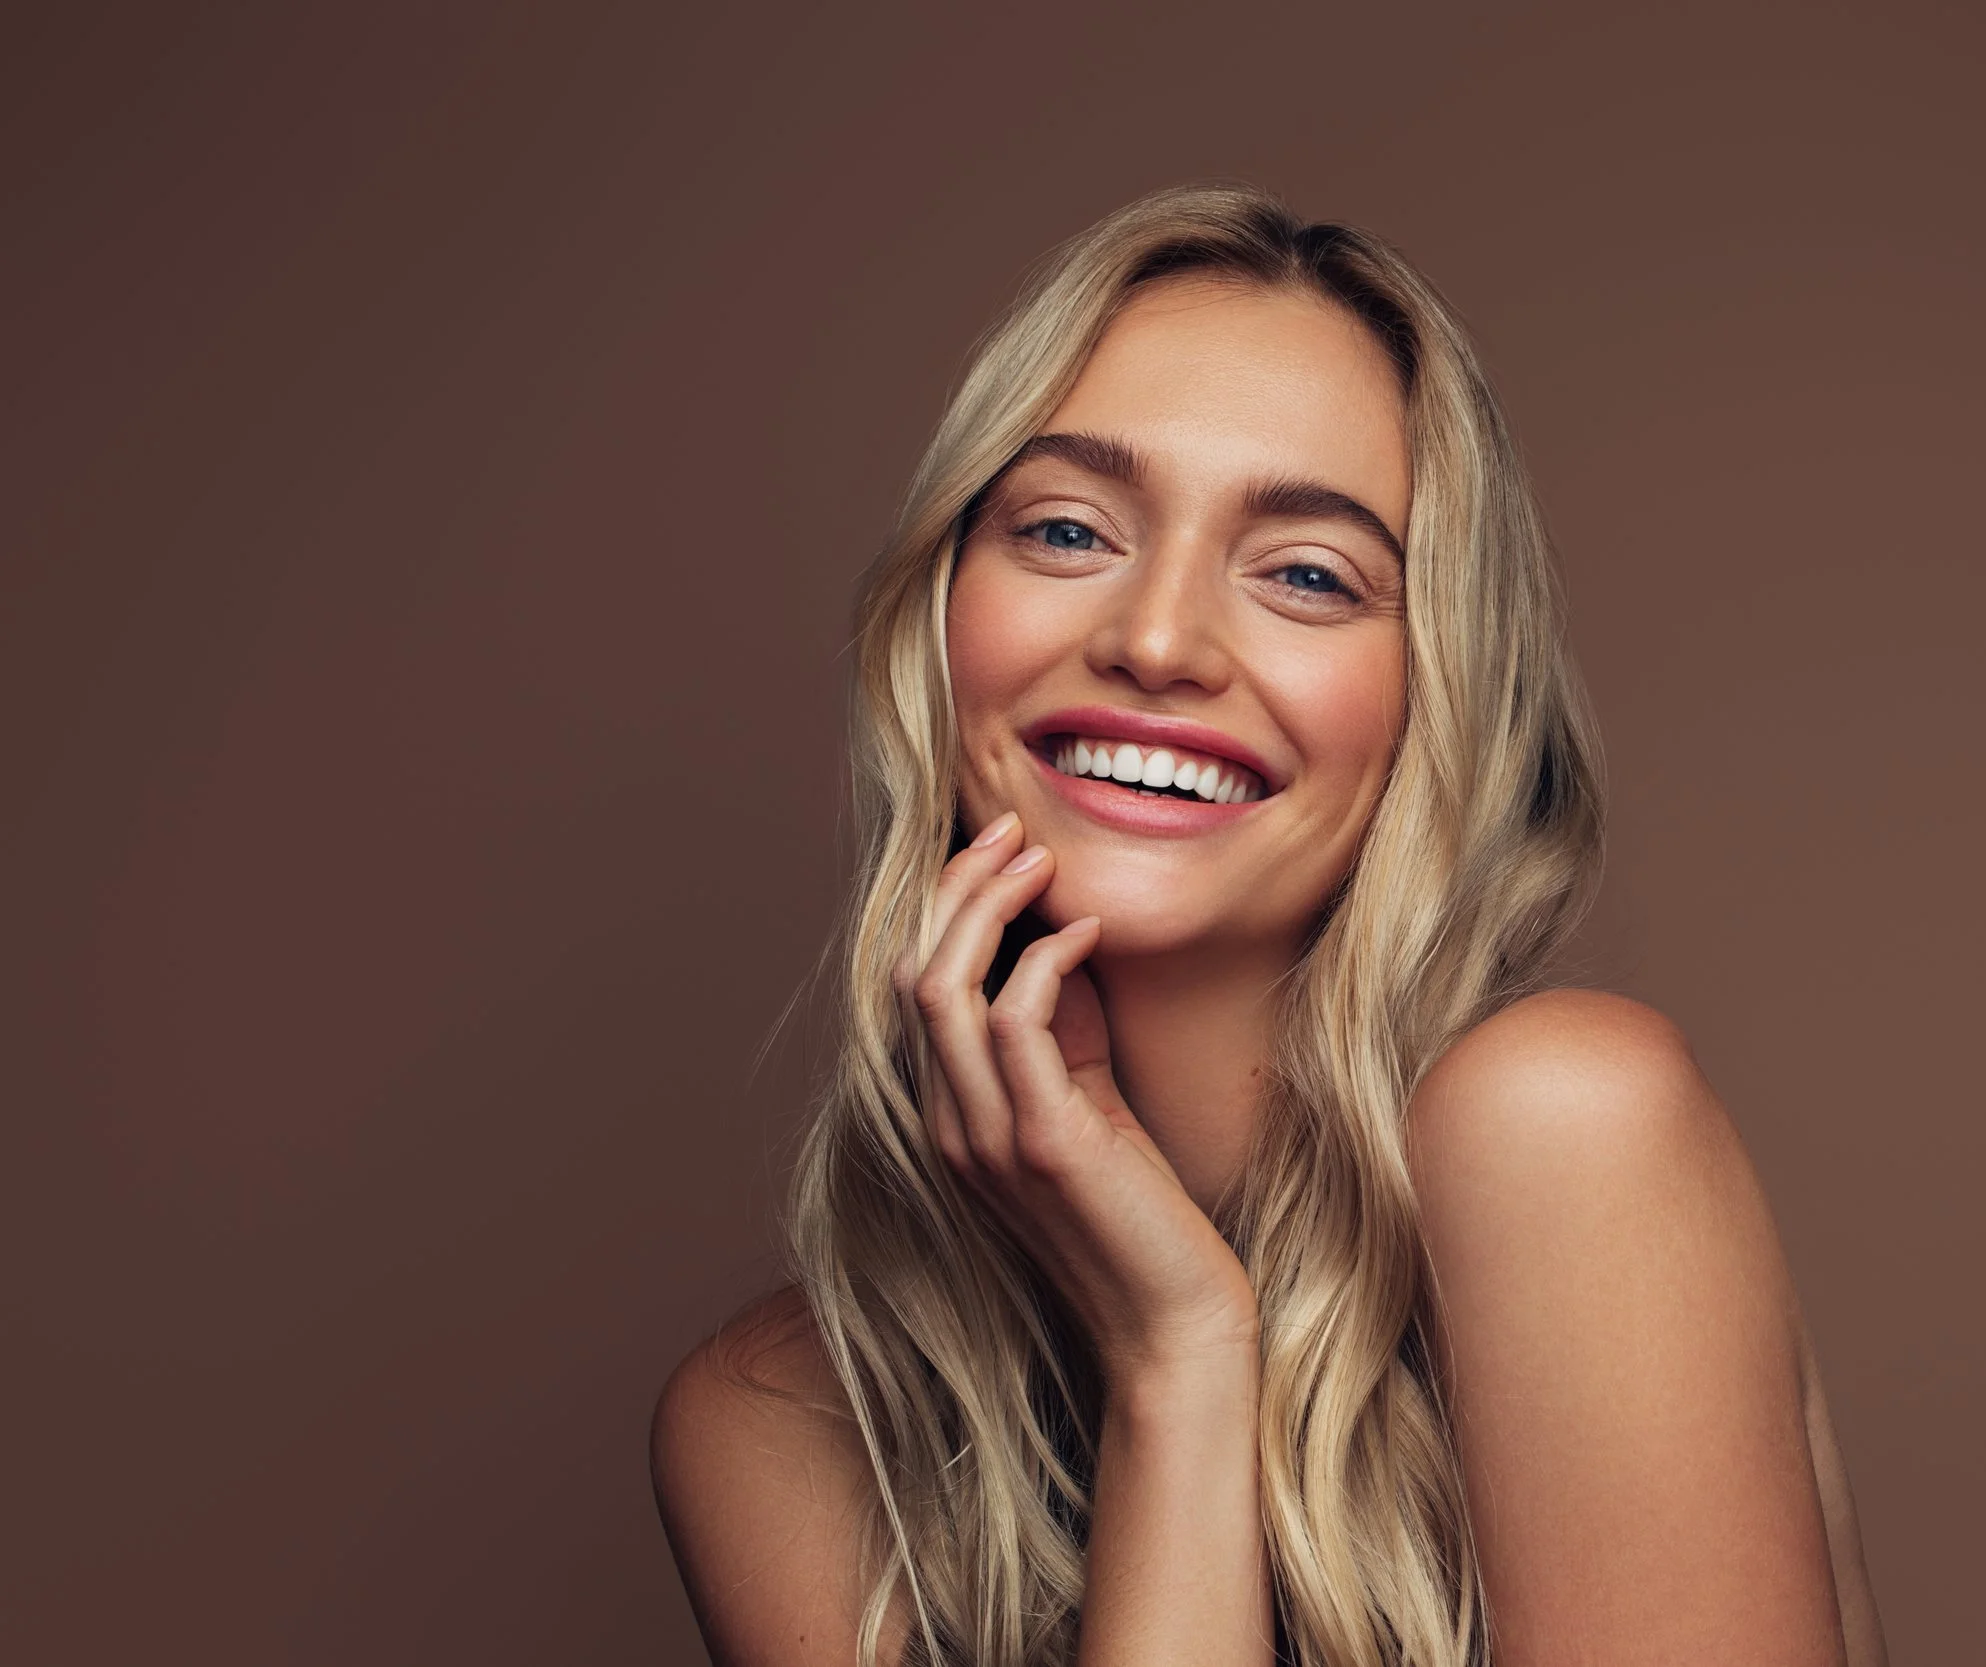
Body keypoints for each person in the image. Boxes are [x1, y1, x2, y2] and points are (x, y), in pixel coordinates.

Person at [650, 184, 1886, 1667]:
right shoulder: (776, 1424)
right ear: (941, 626)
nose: (1157, 640)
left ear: (1434, 694)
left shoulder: (1561, 1130)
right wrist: (1179, 1356)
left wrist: (1177, 1342)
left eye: (1307, 572)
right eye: (1064, 529)